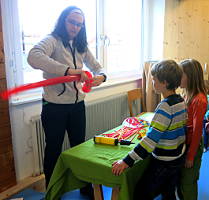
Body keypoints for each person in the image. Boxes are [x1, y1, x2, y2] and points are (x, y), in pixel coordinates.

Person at [27, 5, 106, 197]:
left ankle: (84, 186)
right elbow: (33, 57)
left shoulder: (81, 45)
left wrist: (101, 77)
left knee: (80, 146)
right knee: (53, 149)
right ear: (63, 20)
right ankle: (52, 189)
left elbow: (97, 67)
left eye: (80, 24)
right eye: (72, 22)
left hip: (77, 106)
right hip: (54, 107)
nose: (75, 27)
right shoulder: (52, 40)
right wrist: (69, 71)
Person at [112, 60, 187, 200]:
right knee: (168, 192)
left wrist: (126, 161)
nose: (152, 82)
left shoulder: (165, 107)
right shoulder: (180, 101)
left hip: (164, 161)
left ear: (164, 83)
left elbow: (150, 141)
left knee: (141, 193)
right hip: (177, 157)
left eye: (154, 79)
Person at [177, 59, 208, 200]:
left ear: (190, 76)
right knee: (182, 179)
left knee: (188, 181)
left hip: (193, 147)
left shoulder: (199, 100)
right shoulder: (186, 94)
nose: (178, 78)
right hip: (185, 144)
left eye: (181, 75)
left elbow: (196, 132)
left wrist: (190, 156)